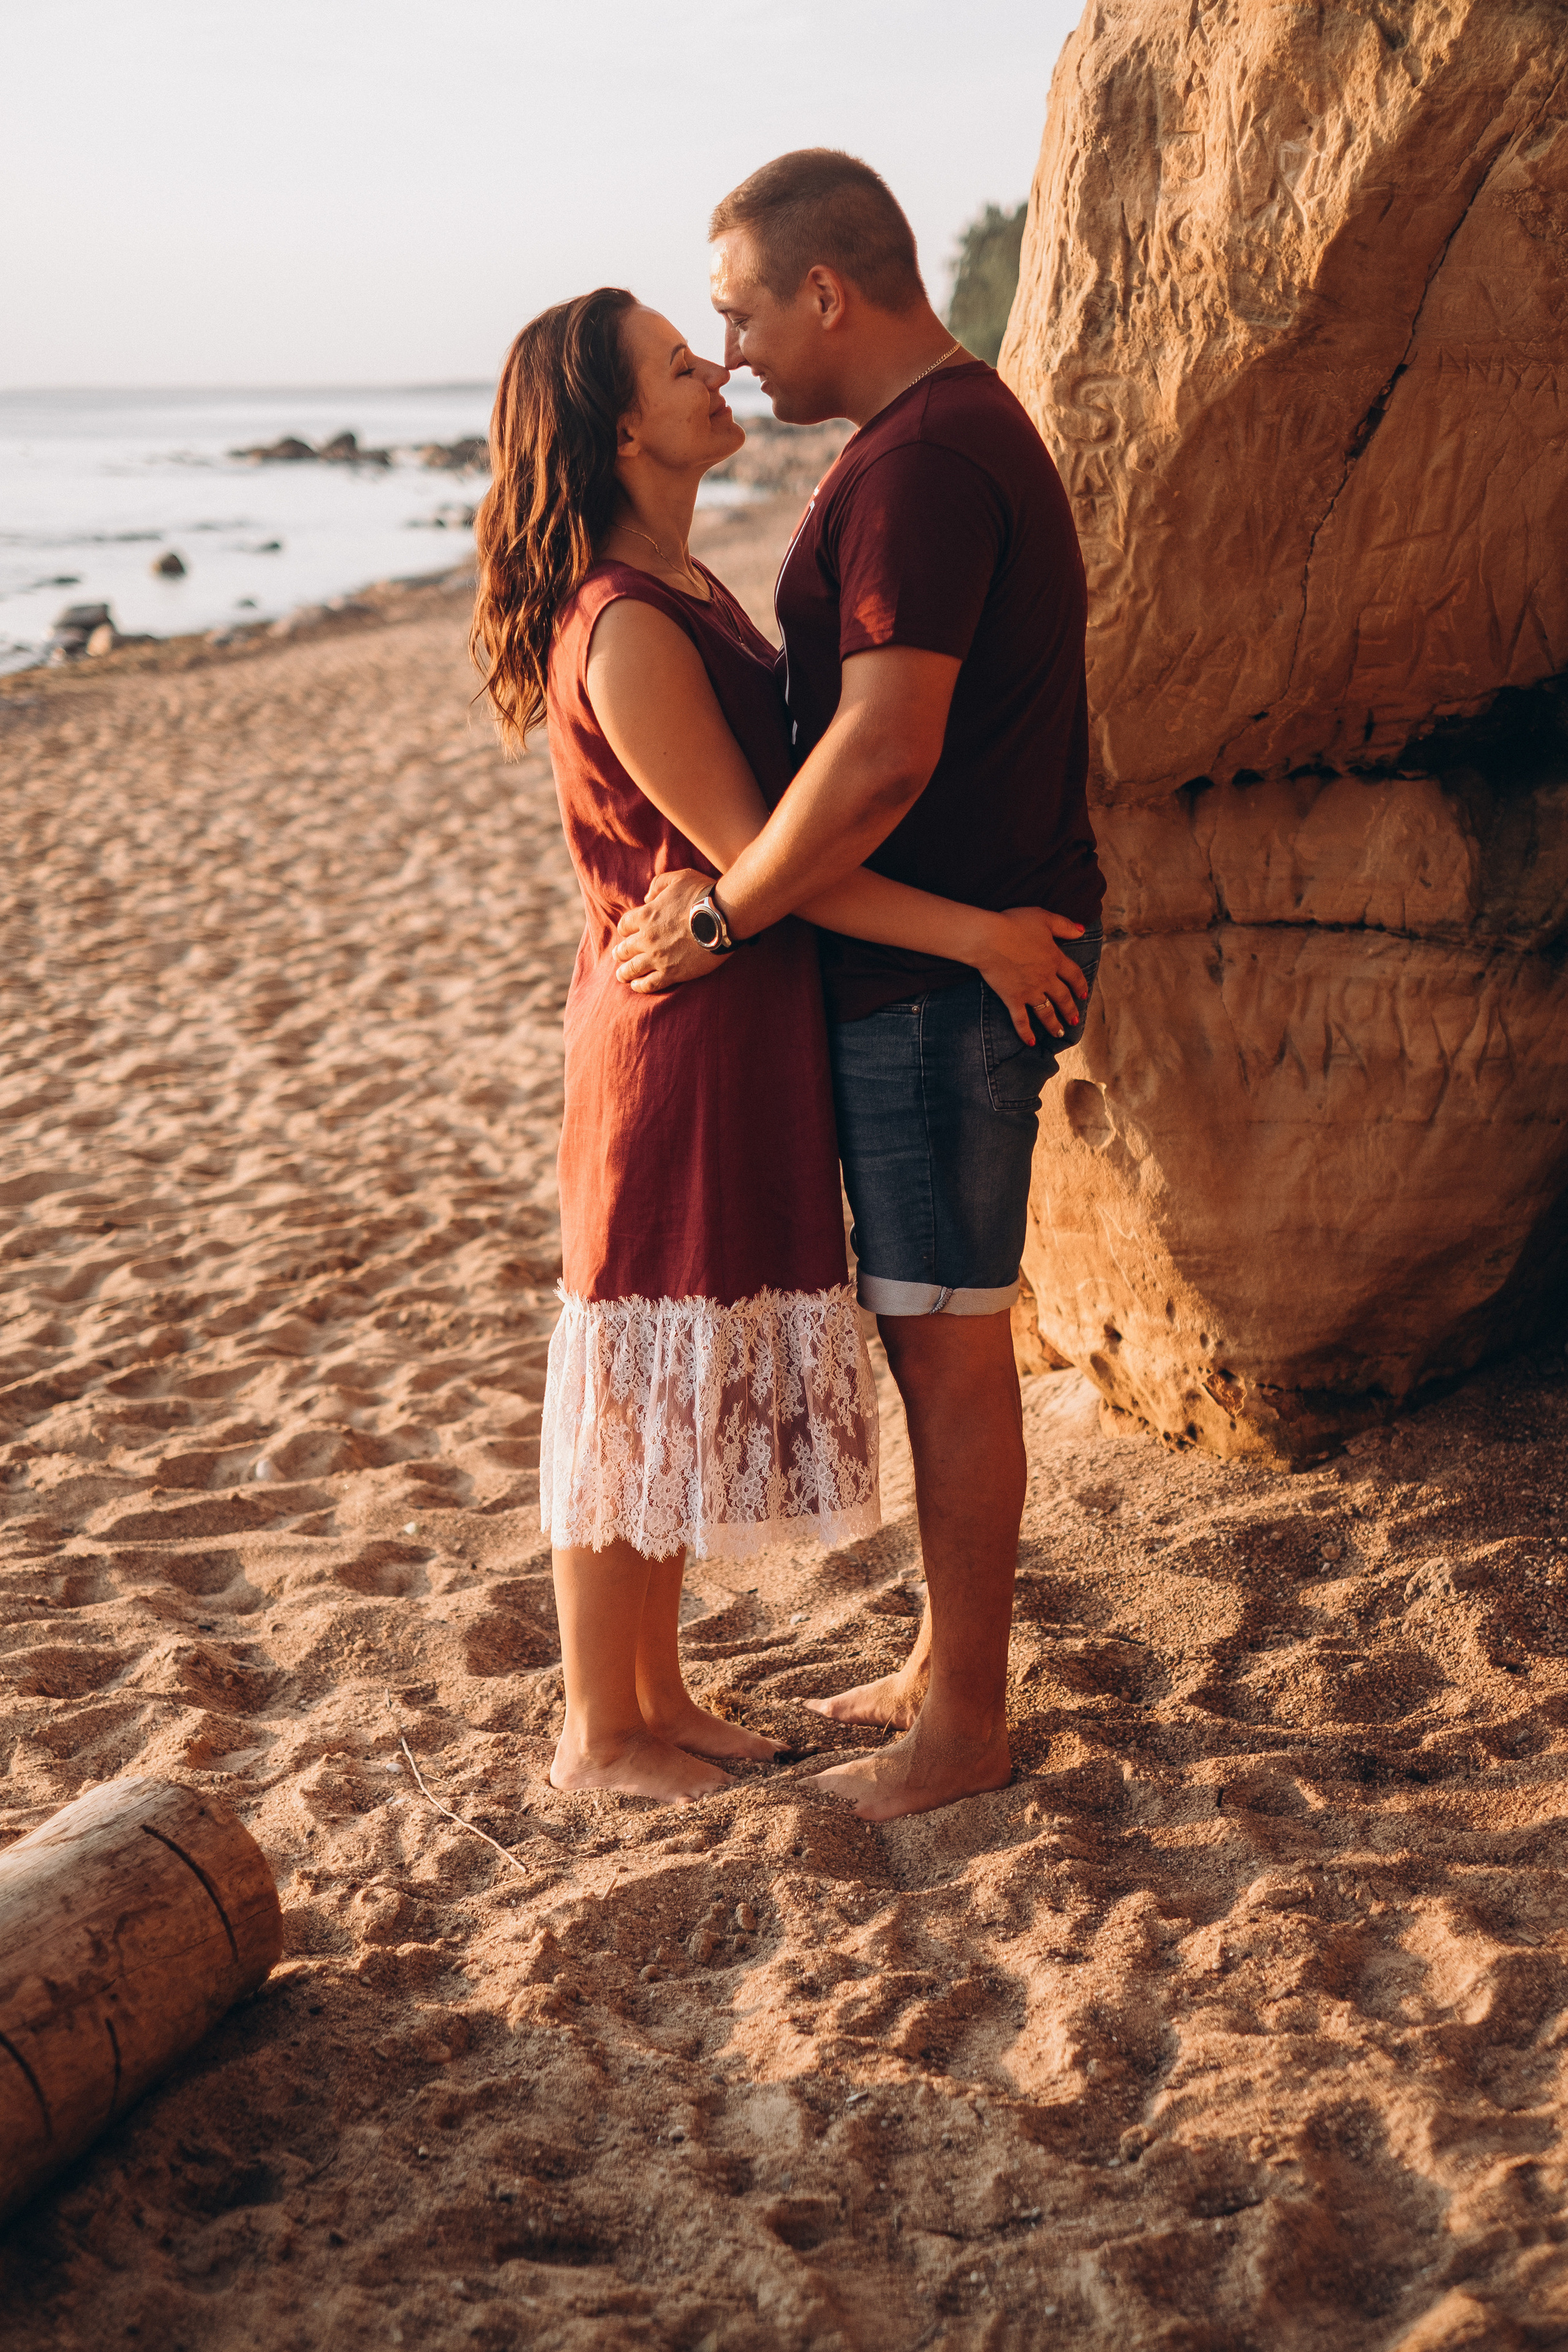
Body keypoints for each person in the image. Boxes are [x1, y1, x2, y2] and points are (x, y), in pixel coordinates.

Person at [469, 285, 1087, 1806]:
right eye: (679, 364)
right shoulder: (626, 621)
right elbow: (766, 858)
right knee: (634, 1360)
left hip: (731, 1017)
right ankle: (598, 1732)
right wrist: (976, 934)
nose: (717, 368)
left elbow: (755, 863)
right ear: (619, 427)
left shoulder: (676, 583)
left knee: (675, 1348)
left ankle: (657, 1695)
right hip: (673, 1032)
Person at [609, 151, 1106, 1822]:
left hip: (937, 993)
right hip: (927, 970)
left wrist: (726, 917)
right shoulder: (930, 440)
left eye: (740, 312)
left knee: (948, 1354)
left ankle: (962, 1730)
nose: (731, 350)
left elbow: (885, 750)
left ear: (826, 292)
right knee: (932, 1342)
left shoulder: (920, 464)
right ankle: (939, 1665)